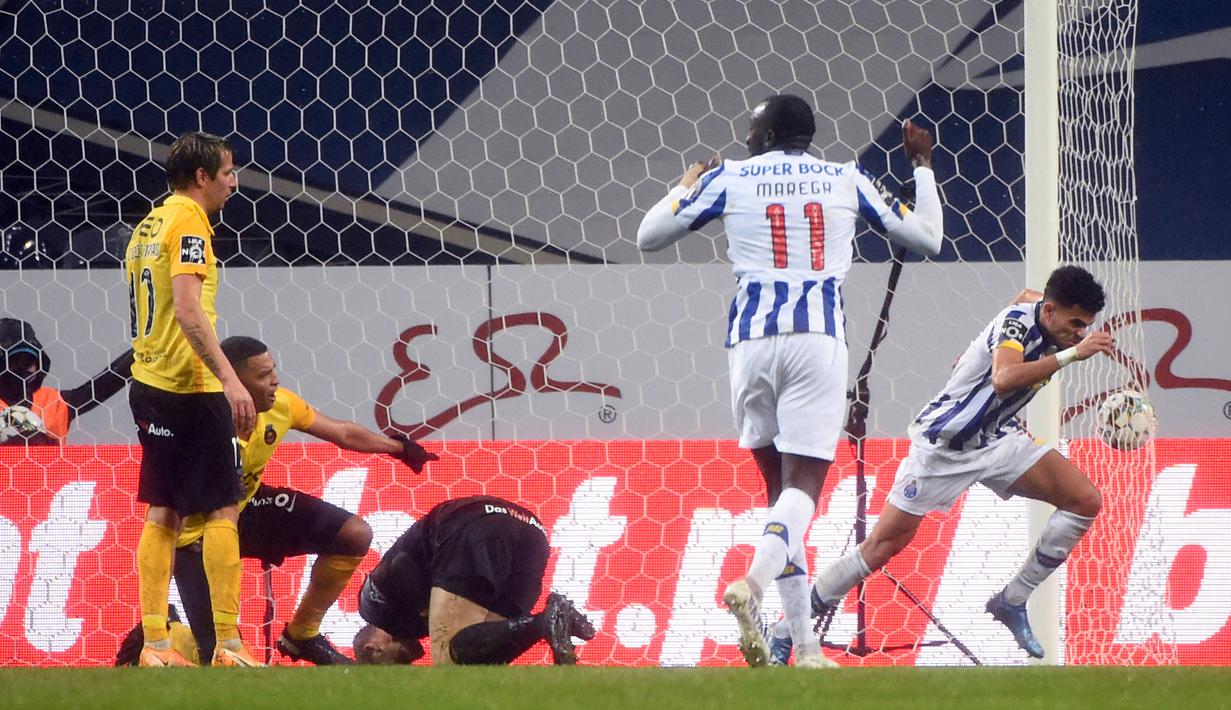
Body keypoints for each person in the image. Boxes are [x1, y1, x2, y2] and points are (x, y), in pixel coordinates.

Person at [637, 95, 944, 667]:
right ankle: (753, 587)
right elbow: (927, 238)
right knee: (801, 493)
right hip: (817, 340)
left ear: (770, 132)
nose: (747, 139)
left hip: (750, 344)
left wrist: (683, 186)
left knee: (779, 500)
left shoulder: (730, 176)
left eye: (752, 130)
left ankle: (804, 647)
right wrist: (921, 168)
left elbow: (648, 236)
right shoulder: (844, 179)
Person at [809, 266, 1112, 660]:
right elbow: (1003, 379)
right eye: (1075, 324)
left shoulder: (1042, 315)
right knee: (880, 547)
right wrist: (1073, 354)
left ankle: (1012, 600)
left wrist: (976, 350)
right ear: (1051, 311)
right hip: (944, 449)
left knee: (1085, 500)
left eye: (1085, 327)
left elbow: (1025, 295)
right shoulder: (1022, 327)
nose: (1080, 334)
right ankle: (789, 626)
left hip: (996, 440)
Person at [115, 335, 438, 666]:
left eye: (273, 370)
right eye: (263, 375)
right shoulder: (197, 423)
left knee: (355, 534)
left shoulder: (281, 405)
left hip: (249, 509)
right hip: (197, 539)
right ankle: (169, 630)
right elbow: (167, 519)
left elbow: (341, 431)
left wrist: (398, 448)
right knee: (217, 655)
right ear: (233, 383)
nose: (275, 381)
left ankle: (302, 634)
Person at [124, 131, 256, 667]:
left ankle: (155, 643)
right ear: (201, 176)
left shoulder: (147, 225)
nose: (234, 181)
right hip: (190, 386)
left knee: (165, 510)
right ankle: (228, 643)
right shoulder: (190, 221)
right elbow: (186, 307)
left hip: (148, 382)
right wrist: (229, 378)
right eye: (227, 171)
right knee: (222, 505)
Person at [352, 495, 595, 666]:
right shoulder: (402, 621)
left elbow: (399, 563)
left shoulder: (372, 607)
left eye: (399, 662)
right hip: (532, 532)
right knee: (482, 658)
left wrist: (423, 605)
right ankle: (548, 620)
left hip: (472, 522)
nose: (410, 660)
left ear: (373, 648)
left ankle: (543, 622)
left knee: (448, 657)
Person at [0, 317, 133, 444]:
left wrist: (145, 352)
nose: (21, 371)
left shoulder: (55, 402)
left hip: (50, 466)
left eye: (27, 363)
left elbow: (108, 381)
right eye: (13, 362)